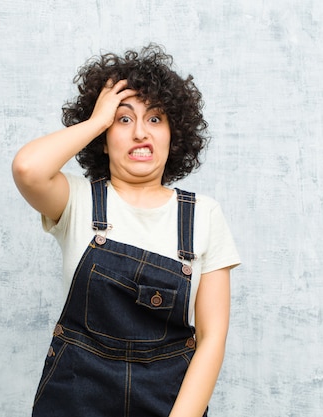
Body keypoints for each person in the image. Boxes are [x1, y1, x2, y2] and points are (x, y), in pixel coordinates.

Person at [12, 44, 240, 417]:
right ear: (103, 139)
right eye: (123, 120)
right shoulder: (78, 202)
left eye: (154, 119)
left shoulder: (204, 215)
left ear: (173, 133)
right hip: (74, 401)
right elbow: (27, 168)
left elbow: (212, 339)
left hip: (166, 404)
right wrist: (96, 121)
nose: (140, 133)